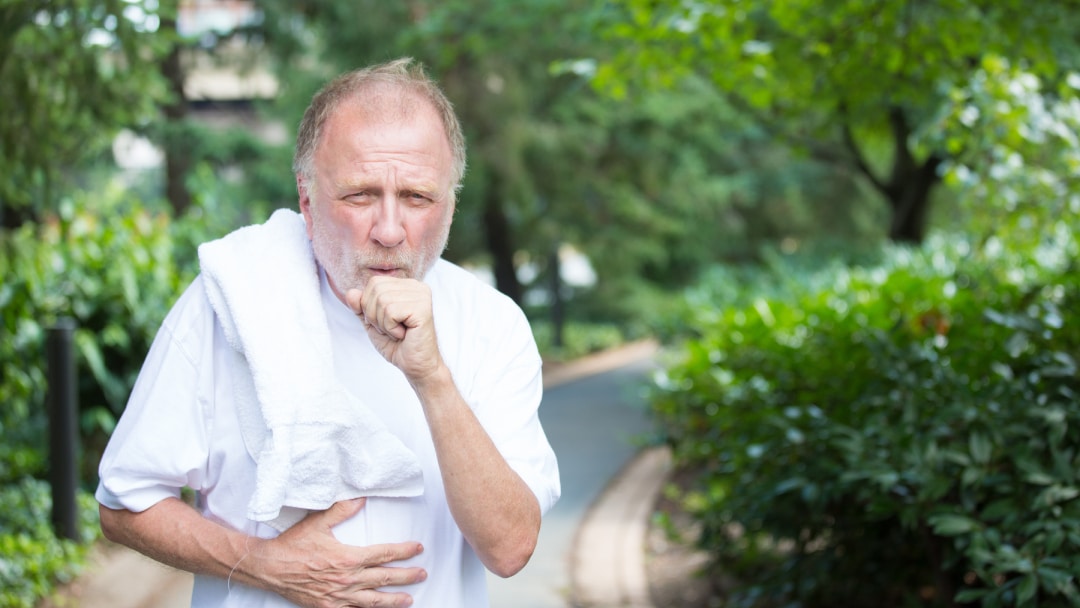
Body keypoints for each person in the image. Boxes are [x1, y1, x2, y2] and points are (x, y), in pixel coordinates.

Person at [95, 57, 561, 608]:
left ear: (451, 203)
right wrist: (262, 564)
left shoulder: (491, 324)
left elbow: (510, 549)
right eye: (360, 195)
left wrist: (432, 377)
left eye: (417, 197)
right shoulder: (229, 303)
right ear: (307, 197)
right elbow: (125, 502)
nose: (390, 231)